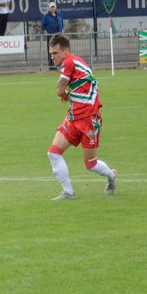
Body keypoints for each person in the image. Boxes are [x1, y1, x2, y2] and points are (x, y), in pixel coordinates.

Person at [47, 33, 118, 200]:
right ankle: (68, 192)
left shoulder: (69, 61)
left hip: (89, 120)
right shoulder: (73, 63)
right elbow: (81, 84)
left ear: (65, 51)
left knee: (91, 164)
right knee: (53, 153)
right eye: (50, 54)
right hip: (73, 118)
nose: (52, 57)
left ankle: (111, 176)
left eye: (55, 53)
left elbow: (59, 89)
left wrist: (62, 92)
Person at [40, 3, 63, 70]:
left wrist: (61, 31)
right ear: (49, 8)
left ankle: (59, 65)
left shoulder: (59, 14)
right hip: (50, 36)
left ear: (55, 7)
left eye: (53, 7)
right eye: (51, 7)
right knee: (51, 51)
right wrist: (46, 33)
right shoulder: (46, 16)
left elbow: (62, 23)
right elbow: (43, 26)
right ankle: (51, 66)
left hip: (58, 35)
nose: (52, 8)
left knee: (59, 50)